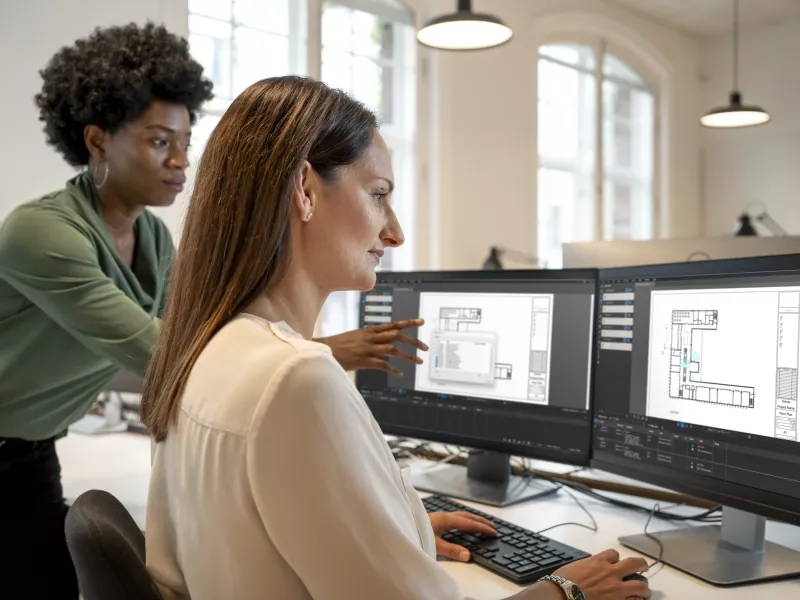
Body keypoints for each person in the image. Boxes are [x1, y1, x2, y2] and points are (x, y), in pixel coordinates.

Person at [141, 76, 650, 600]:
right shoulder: (295, 379)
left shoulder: (206, 350)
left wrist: (391, 530)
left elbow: (249, 532)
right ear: (305, 191)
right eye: (378, 195)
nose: (396, 233)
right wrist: (566, 590)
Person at [0, 23, 420, 599]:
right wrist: (326, 353)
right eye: (157, 140)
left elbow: (204, 346)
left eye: (185, 140)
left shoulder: (150, 237)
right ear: (97, 141)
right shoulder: (41, 234)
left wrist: (370, 523)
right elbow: (162, 350)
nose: (179, 160)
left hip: (35, 443)